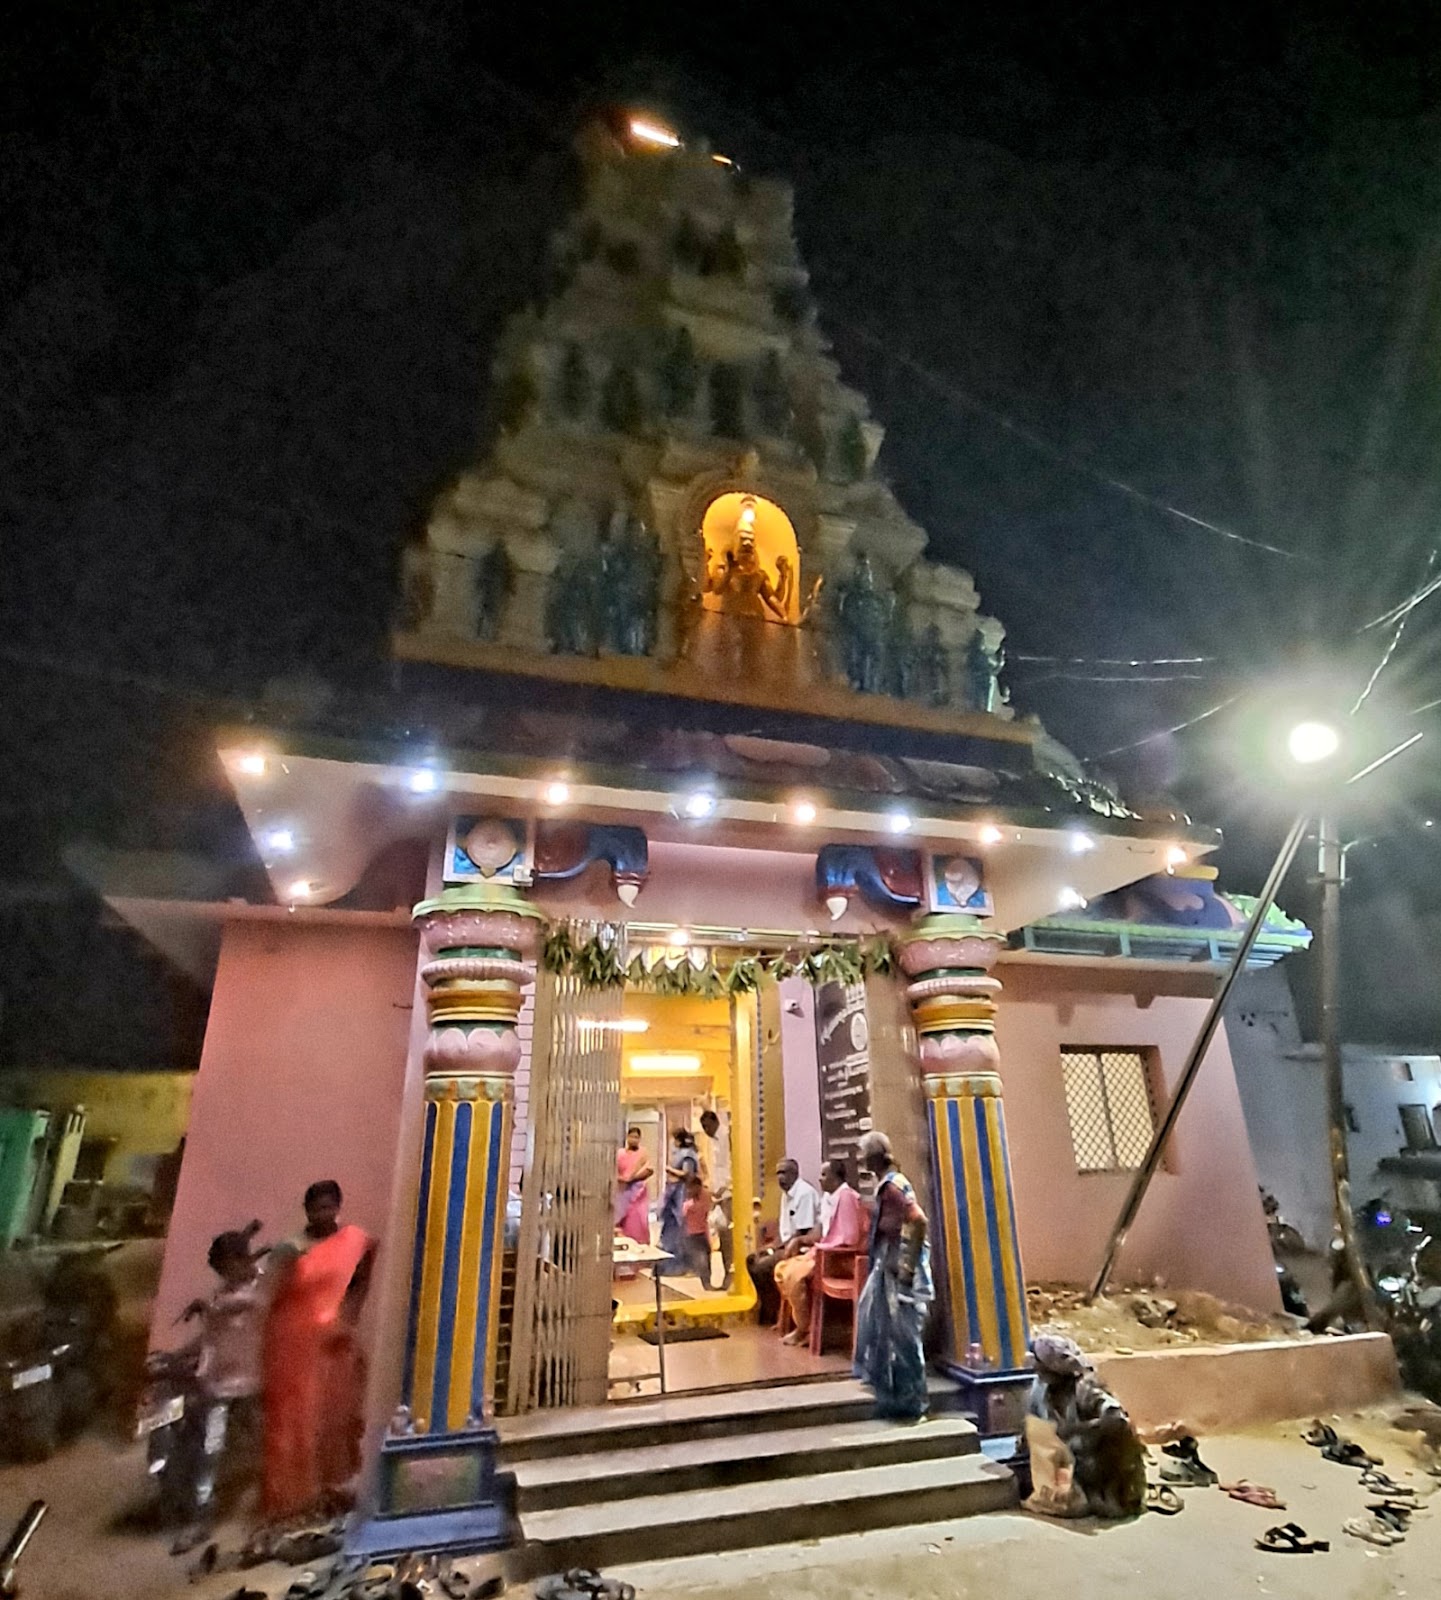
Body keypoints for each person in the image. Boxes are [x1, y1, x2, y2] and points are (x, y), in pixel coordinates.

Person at [261, 1180, 376, 1524]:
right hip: (295, 1343)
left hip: (337, 1341)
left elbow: (361, 1280)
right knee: (297, 1419)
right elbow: (272, 1294)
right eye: (316, 1207)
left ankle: (337, 1489)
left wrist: (349, 1316)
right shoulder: (290, 1249)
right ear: (307, 1210)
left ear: (338, 1207)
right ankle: (296, 1498)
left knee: (337, 1415)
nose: (323, 1213)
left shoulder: (355, 1242)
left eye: (329, 1206)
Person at [174, 1220, 268, 1545]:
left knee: (267, 1445)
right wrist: (197, 1367)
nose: (227, 1275)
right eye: (222, 1270)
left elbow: (254, 1307)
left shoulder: (262, 1287)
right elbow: (211, 1339)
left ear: (245, 1260)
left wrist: (211, 1308)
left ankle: (265, 1515)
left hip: (259, 1381)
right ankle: (201, 1518)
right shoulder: (222, 1293)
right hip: (221, 1383)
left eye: (231, 1267)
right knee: (209, 1449)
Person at [853, 1130, 932, 1419]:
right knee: (880, 1332)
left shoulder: (892, 1187)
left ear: (874, 1157)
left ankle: (914, 1405)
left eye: (863, 1154)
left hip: (899, 1277)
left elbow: (917, 1220)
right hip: (887, 1271)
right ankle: (893, 1398)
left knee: (905, 1340)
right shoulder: (888, 1184)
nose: (860, 1160)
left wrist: (907, 1267)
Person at [774, 1159, 865, 1343]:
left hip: (838, 1260)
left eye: (824, 1175)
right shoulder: (828, 1198)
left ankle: (804, 1329)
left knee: (795, 1274)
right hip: (822, 1252)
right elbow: (820, 1231)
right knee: (782, 1268)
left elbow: (848, 1238)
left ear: (836, 1178)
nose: (820, 1179)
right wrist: (800, 1241)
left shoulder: (846, 1197)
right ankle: (803, 1325)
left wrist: (820, 1249)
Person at [746, 1158, 821, 1324]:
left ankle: (774, 1314)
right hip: (786, 1245)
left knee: (762, 1267)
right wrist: (770, 1246)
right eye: (778, 1173)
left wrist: (777, 1250)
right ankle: (768, 1308)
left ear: (795, 1174)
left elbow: (802, 1231)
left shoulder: (804, 1193)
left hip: (800, 1249)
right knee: (751, 1260)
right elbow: (784, 1229)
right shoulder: (785, 1195)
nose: (780, 1177)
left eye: (784, 1172)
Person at [698, 1108, 733, 1290]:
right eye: (702, 1127)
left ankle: (731, 1275)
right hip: (718, 1196)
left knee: (729, 1237)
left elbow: (732, 1165)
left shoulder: (727, 1137)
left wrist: (723, 1187)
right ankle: (727, 1274)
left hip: (729, 1194)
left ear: (714, 1122)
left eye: (706, 1126)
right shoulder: (713, 1142)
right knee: (722, 1234)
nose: (705, 1130)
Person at [657, 1129, 700, 1273]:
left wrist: (670, 1170)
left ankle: (680, 1266)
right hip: (673, 1194)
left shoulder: (688, 1156)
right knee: (670, 1229)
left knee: (680, 1229)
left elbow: (688, 1174)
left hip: (680, 1194)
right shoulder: (679, 1154)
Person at [614, 1127, 653, 1248]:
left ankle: (640, 1246)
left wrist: (632, 1178)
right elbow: (614, 1170)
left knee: (638, 1220)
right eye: (632, 1137)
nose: (634, 1140)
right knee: (621, 1221)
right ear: (627, 1137)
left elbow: (649, 1170)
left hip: (638, 1193)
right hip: (622, 1191)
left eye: (636, 1137)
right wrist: (621, 1179)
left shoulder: (643, 1153)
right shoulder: (620, 1153)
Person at [680, 1172, 714, 1284]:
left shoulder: (703, 1197)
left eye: (691, 1188)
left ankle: (707, 1281)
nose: (689, 1191)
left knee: (706, 1257)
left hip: (702, 1231)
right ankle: (706, 1282)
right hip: (692, 1233)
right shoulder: (689, 1203)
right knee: (701, 1258)